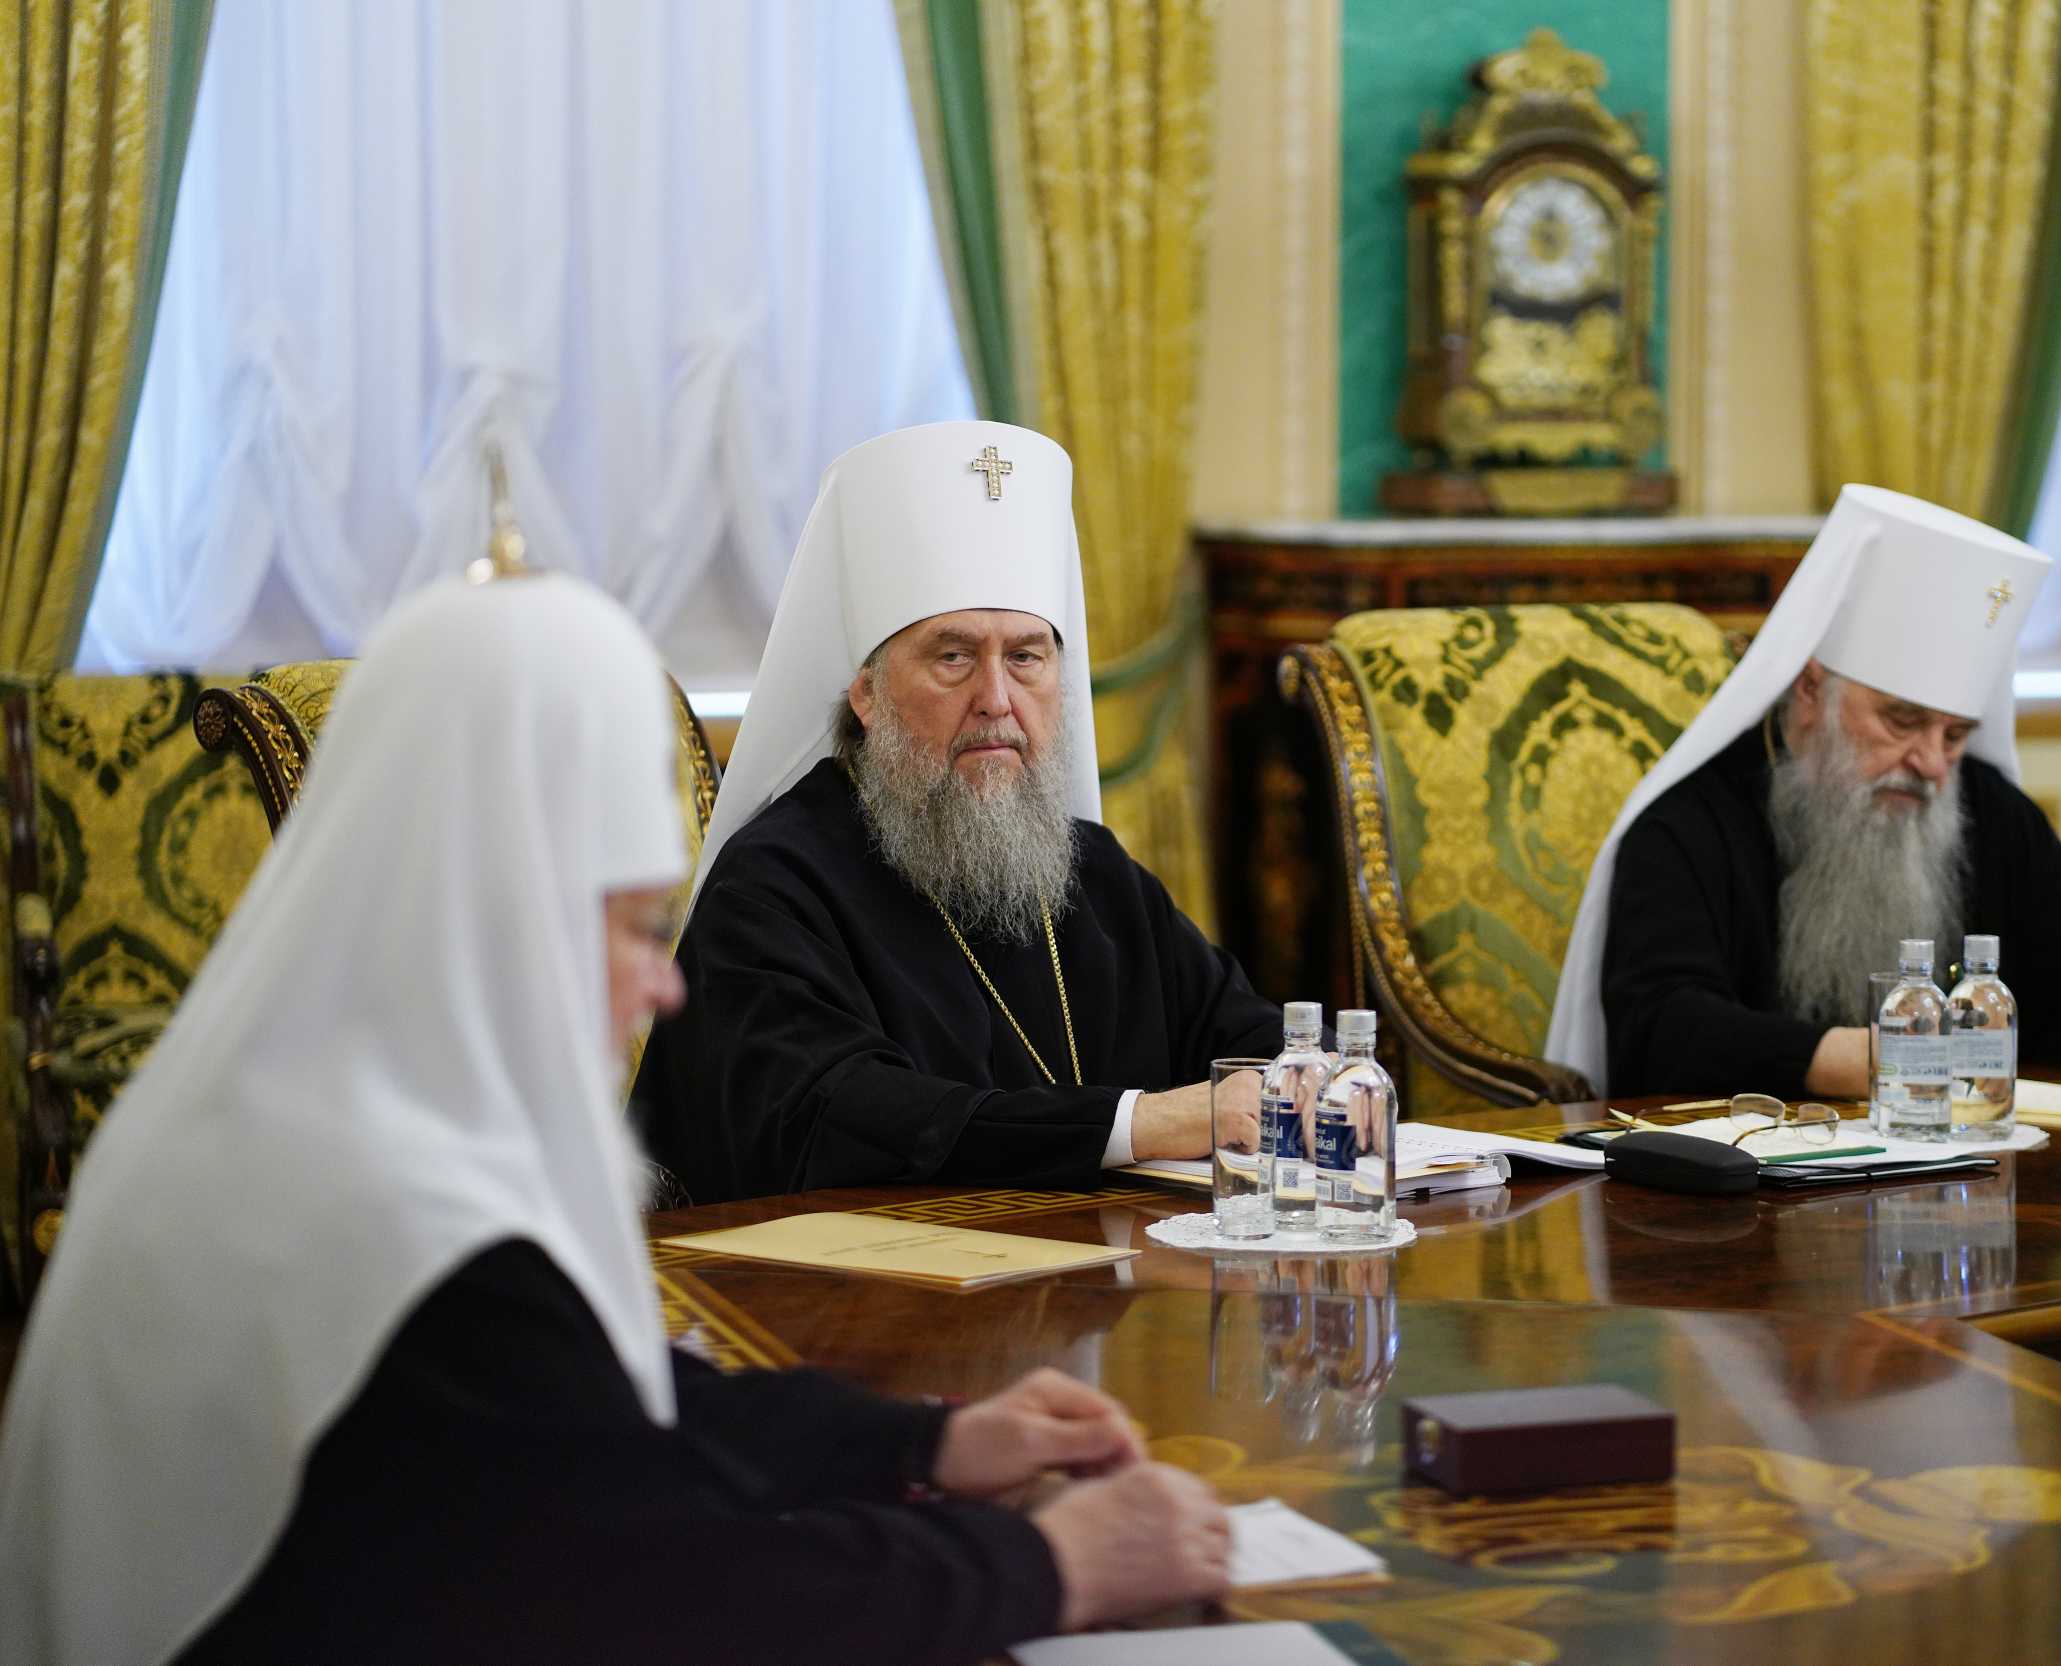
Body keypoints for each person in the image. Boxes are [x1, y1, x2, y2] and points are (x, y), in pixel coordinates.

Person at [0, 575, 1230, 1666]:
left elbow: (604, 1403)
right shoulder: (399, 1220)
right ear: (503, 911)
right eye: (639, 928)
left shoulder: (319, 1109)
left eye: (1028, 654)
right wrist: (1056, 1563)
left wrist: (926, 1443)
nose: (665, 986)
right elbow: (682, 1587)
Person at [637, 421, 1285, 1202]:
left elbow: (1252, 1041)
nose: (997, 700)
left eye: (1026, 657)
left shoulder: (1096, 874)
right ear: (867, 695)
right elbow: (838, 1121)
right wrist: (1137, 1124)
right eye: (953, 657)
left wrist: (1307, 1080)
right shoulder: (772, 888)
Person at [1547, 485, 2061, 1102]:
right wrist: (1863, 1059)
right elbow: (1661, 1028)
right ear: (1811, 690)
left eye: (1955, 735)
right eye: (1903, 721)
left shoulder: (1988, 813)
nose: (1931, 764)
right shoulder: (1688, 825)